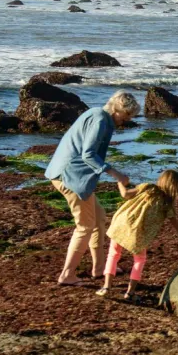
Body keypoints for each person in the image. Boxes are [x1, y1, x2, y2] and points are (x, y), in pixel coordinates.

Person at [45, 91, 139, 286]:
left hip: (65, 173)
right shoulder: (100, 121)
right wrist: (116, 174)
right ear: (117, 109)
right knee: (85, 226)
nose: (127, 120)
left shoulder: (96, 114)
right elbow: (88, 154)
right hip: (71, 177)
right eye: (127, 115)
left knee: (99, 217)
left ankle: (99, 267)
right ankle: (66, 275)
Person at [98, 170, 178, 299]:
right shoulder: (167, 204)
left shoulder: (147, 187)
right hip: (139, 234)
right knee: (139, 260)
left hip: (122, 224)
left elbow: (125, 194)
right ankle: (130, 293)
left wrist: (120, 182)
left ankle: (106, 287)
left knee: (113, 255)